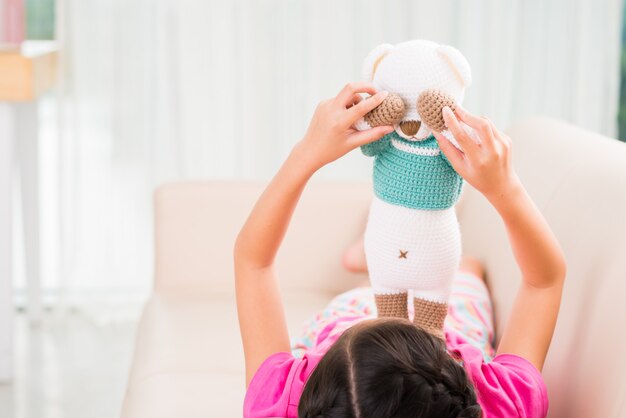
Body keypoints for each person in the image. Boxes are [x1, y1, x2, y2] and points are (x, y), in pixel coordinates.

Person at [234, 82, 566, 417]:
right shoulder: (497, 400)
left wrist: (306, 153)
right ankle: (385, 259)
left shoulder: (280, 402)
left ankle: (376, 260)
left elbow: (253, 262)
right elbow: (544, 282)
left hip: (344, 315)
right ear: (454, 371)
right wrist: (504, 187)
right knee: (466, 273)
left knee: (369, 293)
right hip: (449, 320)